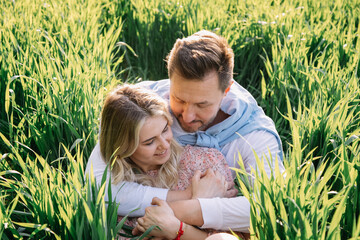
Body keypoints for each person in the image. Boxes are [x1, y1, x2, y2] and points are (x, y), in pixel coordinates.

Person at [85, 84, 238, 239]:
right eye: (149, 141)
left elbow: (229, 235)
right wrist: (195, 201)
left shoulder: (203, 164)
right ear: (124, 147)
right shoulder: (116, 189)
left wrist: (178, 223)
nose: (165, 145)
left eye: (165, 129)